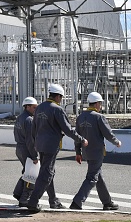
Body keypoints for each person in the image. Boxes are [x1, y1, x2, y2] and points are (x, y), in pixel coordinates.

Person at [26, 83, 88, 213]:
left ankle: (53, 201)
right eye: (61, 97)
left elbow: (33, 128)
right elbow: (68, 129)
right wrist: (81, 139)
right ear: (58, 96)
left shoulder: (40, 107)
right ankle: (33, 202)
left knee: (48, 173)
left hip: (40, 145)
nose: (61, 99)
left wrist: (34, 143)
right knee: (46, 174)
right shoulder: (57, 109)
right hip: (51, 146)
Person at [70, 91, 122, 211]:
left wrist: (78, 152)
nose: (101, 106)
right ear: (97, 104)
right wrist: (116, 142)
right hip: (97, 151)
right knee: (92, 177)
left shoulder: (81, 117)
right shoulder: (99, 117)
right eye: (100, 103)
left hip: (86, 152)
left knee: (98, 176)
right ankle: (77, 202)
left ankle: (107, 202)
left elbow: (77, 136)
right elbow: (108, 133)